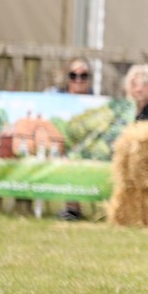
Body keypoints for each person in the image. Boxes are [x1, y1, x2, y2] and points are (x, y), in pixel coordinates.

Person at [59, 58, 93, 220]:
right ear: (68, 79)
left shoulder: (96, 103)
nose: (78, 80)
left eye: (83, 76)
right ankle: (71, 208)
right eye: (73, 75)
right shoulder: (56, 100)